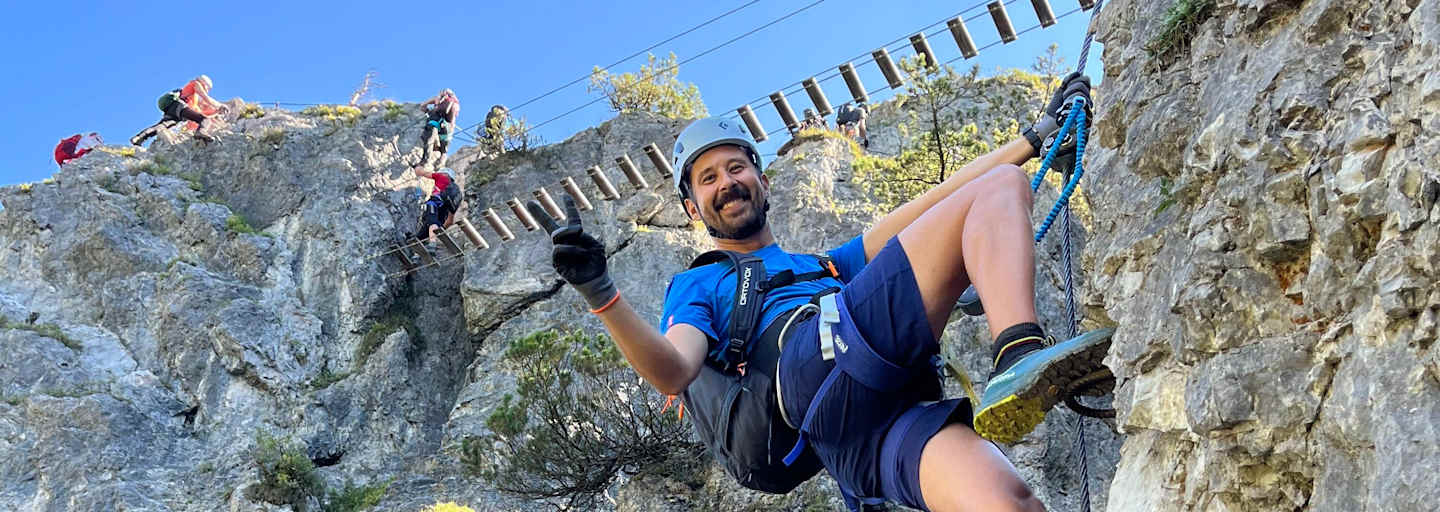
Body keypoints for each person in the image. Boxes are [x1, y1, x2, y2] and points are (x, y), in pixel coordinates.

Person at [526, 73, 1106, 512]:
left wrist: (1034, 139)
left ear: (762, 179)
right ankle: (1018, 355)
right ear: (691, 208)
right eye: (708, 179)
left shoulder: (829, 265)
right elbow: (675, 370)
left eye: (736, 168)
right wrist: (601, 293)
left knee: (1009, 503)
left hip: (863, 434)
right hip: (810, 365)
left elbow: (931, 204)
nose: (726, 183)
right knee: (1001, 187)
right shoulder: (700, 282)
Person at [130, 75, 225, 146]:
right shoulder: (195, 83)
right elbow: (205, 97)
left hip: (173, 110)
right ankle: (200, 132)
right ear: (204, 83)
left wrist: (216, 112)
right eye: (208, 88)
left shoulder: (193, 99)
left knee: (161, 126)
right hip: (179, 106)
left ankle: (138, 138)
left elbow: (199, 114)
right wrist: (220, 105)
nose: (207, 90)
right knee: (205, 120)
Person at [412, 164, 462, 247]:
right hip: (444, 213)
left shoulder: (441, 177)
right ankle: (420, 246)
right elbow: (450, 221)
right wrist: (440, 230)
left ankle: (432, 243)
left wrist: (416, 167)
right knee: (425, 231)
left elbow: (422, 173)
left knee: (432, 222)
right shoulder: (455, 194)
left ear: (445, 173)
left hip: (434, 203)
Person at [419, 89, 460, 167]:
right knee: (444, 144)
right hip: (446, 125)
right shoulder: (455, 104)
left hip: (435, 120)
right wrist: (451, 129)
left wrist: (427, 111)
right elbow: (452, 120)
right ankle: (442, 158)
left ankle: (425, 160)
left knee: (429, 138)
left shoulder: (437, 99)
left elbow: (423, 106)